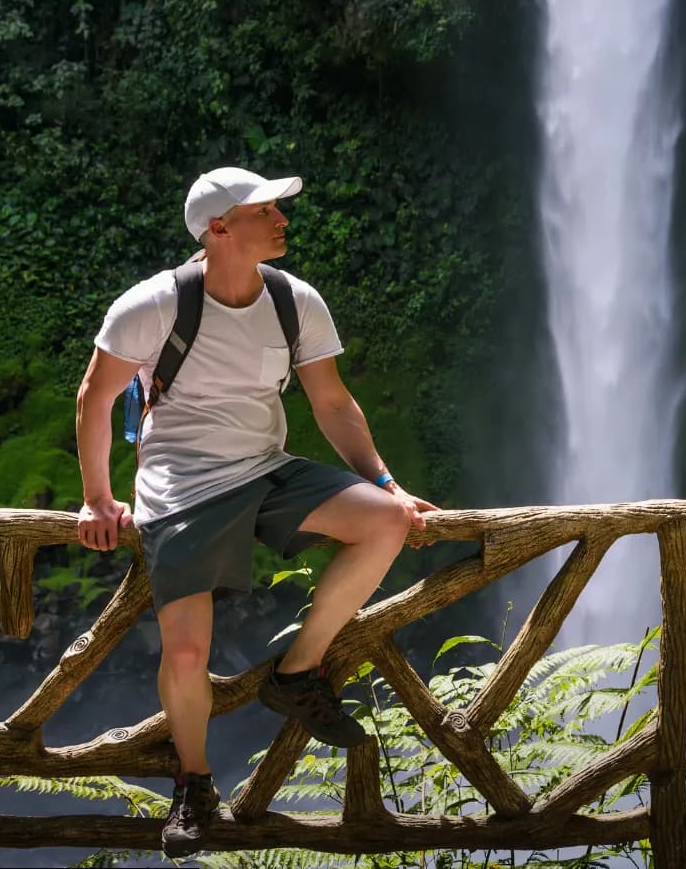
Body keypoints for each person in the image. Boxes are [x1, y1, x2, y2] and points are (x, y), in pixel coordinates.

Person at [72, 165, 434, 858]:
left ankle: (298, 673)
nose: (282, 221)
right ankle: (194, 784)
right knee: (184, 649)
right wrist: (97, 498)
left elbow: (331, 403)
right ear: (218, 228)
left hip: (268, 470)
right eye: (265, 210)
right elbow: (95, 396)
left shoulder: (294, 300)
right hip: (182, 489)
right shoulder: (152, 305)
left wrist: (386, 483)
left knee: (385, 524)